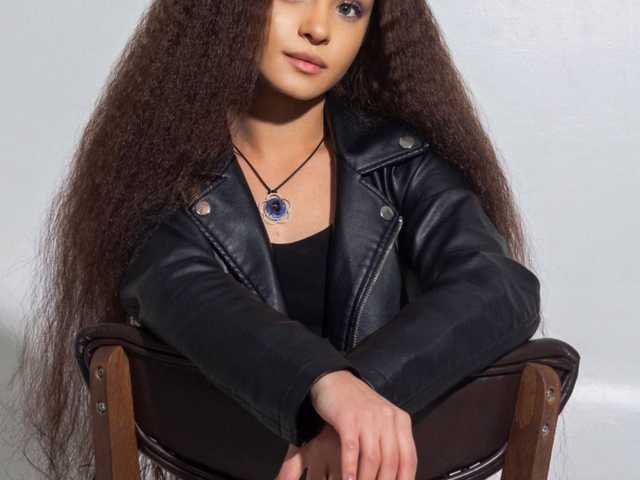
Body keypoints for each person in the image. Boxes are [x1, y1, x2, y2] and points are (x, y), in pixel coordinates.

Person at [6, 1, 545, 479]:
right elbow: (182, 291)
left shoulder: (402, 166)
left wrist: (356, 397)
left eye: (349, 8)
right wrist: (325, 386)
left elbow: (499, 286)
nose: (319, 28)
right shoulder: (161, 182)